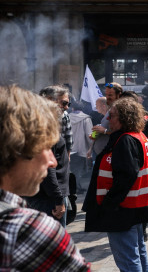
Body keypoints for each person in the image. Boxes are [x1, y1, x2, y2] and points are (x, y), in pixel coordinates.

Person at [0, 85, 90, 271]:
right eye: (45, 147)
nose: (52, 162)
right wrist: (58, 198)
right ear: (15, 148)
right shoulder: (30, 229)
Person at [83, 97, 148, 272]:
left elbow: (126, 176)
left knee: (128, 260)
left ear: (124, 118)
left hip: (123, 209)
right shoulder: (138, 135)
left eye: (113, 115)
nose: (108, 119)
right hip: (136, 206)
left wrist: (108, 203)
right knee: (138, 251)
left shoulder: (126, 140)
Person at [27, 85, 72, 227]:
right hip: (47, 199)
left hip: (47, 195)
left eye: (67, 104)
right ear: (48, 100)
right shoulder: (43, 128)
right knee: (53, 246)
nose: (66, 107)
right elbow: (47, 166)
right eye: (63, 103)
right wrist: (58, 199)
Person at [91, 82, 123, 162]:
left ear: (119, 95)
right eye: (106, 94)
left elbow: (122, 132)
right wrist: (98, 131)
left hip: (111, 155)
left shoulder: (120, 110)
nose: (107, 97)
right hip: (104, 154)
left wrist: (104, 131)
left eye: (110, 95)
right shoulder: (111, 110)